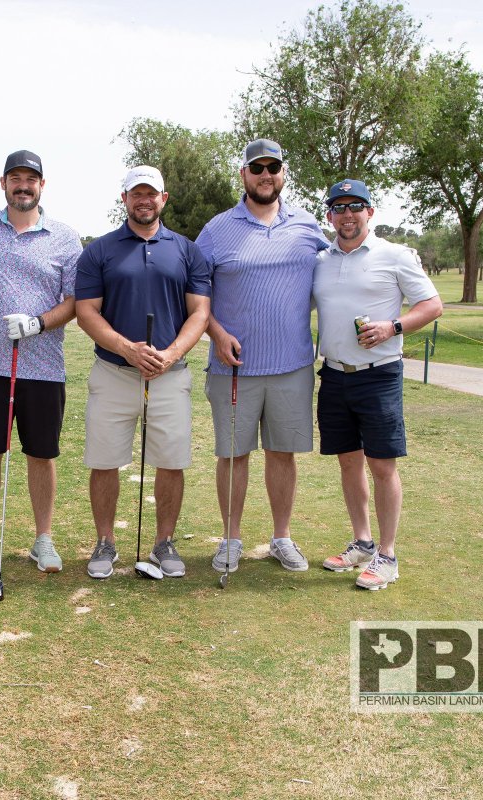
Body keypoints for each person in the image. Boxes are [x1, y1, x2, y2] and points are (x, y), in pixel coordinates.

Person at [196, 139, 330, 576]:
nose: (266, 174)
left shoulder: (309, 226)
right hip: (232, 366)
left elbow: (339, 271)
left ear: (283, 174)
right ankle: (230, 540)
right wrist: (215, 332)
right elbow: (194, 293)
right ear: (244, 175)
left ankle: (281, 538)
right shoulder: (217, 229)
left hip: (292, 364)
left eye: (273, 167)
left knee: (282, 453)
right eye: (257, 168)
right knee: (233, 455)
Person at [74, 165, 211, 579]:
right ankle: (104, 543)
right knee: (105, 460)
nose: (144, 200)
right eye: (137, 193)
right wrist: (127, 349)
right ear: (125, 200)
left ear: (163, 199)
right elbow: (86, 312)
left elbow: (200, 312)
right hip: (114, 371)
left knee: (170, 462)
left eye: (152, 193)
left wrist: (168, 355)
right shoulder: (99, 250)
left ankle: (164, 542)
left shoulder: (188, 251)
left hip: (169, 375)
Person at [0, 150, 83, 574]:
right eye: (15, 178)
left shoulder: (65, 238)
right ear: (3, 183)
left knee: (41, 455)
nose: (23, 186)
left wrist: (37, 324)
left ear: (42, 186)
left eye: (31, 179)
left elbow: (74, 303)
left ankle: (43, 539)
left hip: (44, 365)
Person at [313, 178, 443, 590]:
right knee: (348, 462)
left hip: (379, 376)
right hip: (333, 374)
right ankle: (363, 543)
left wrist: (394, 326)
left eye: (356, 206)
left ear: (370, 212)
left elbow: (433, 305)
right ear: (330, 214)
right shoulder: (320, 259)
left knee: (381, 466)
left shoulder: (395, 255)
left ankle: (387, 555)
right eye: (338, 207)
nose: (347, 214)